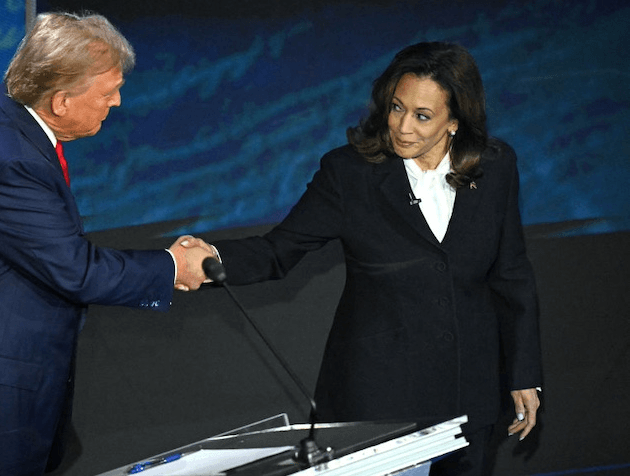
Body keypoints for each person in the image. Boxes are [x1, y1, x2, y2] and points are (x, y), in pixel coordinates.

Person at [0, 12, 214, 476]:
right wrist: (173, 266)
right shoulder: (11, 160)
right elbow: (76, 270)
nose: (117, 102)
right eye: (107, 92)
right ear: (62, 100)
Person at [203, 42, 542, 476]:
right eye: (397, 108)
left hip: (468, 395)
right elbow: (277, 251)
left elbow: (512, 273)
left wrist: (523, 373)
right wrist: (205, 260)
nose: (402, 126)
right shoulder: (350, 173)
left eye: (422, 116)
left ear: (455, 121)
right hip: (379, 402)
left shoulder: (495, 166)